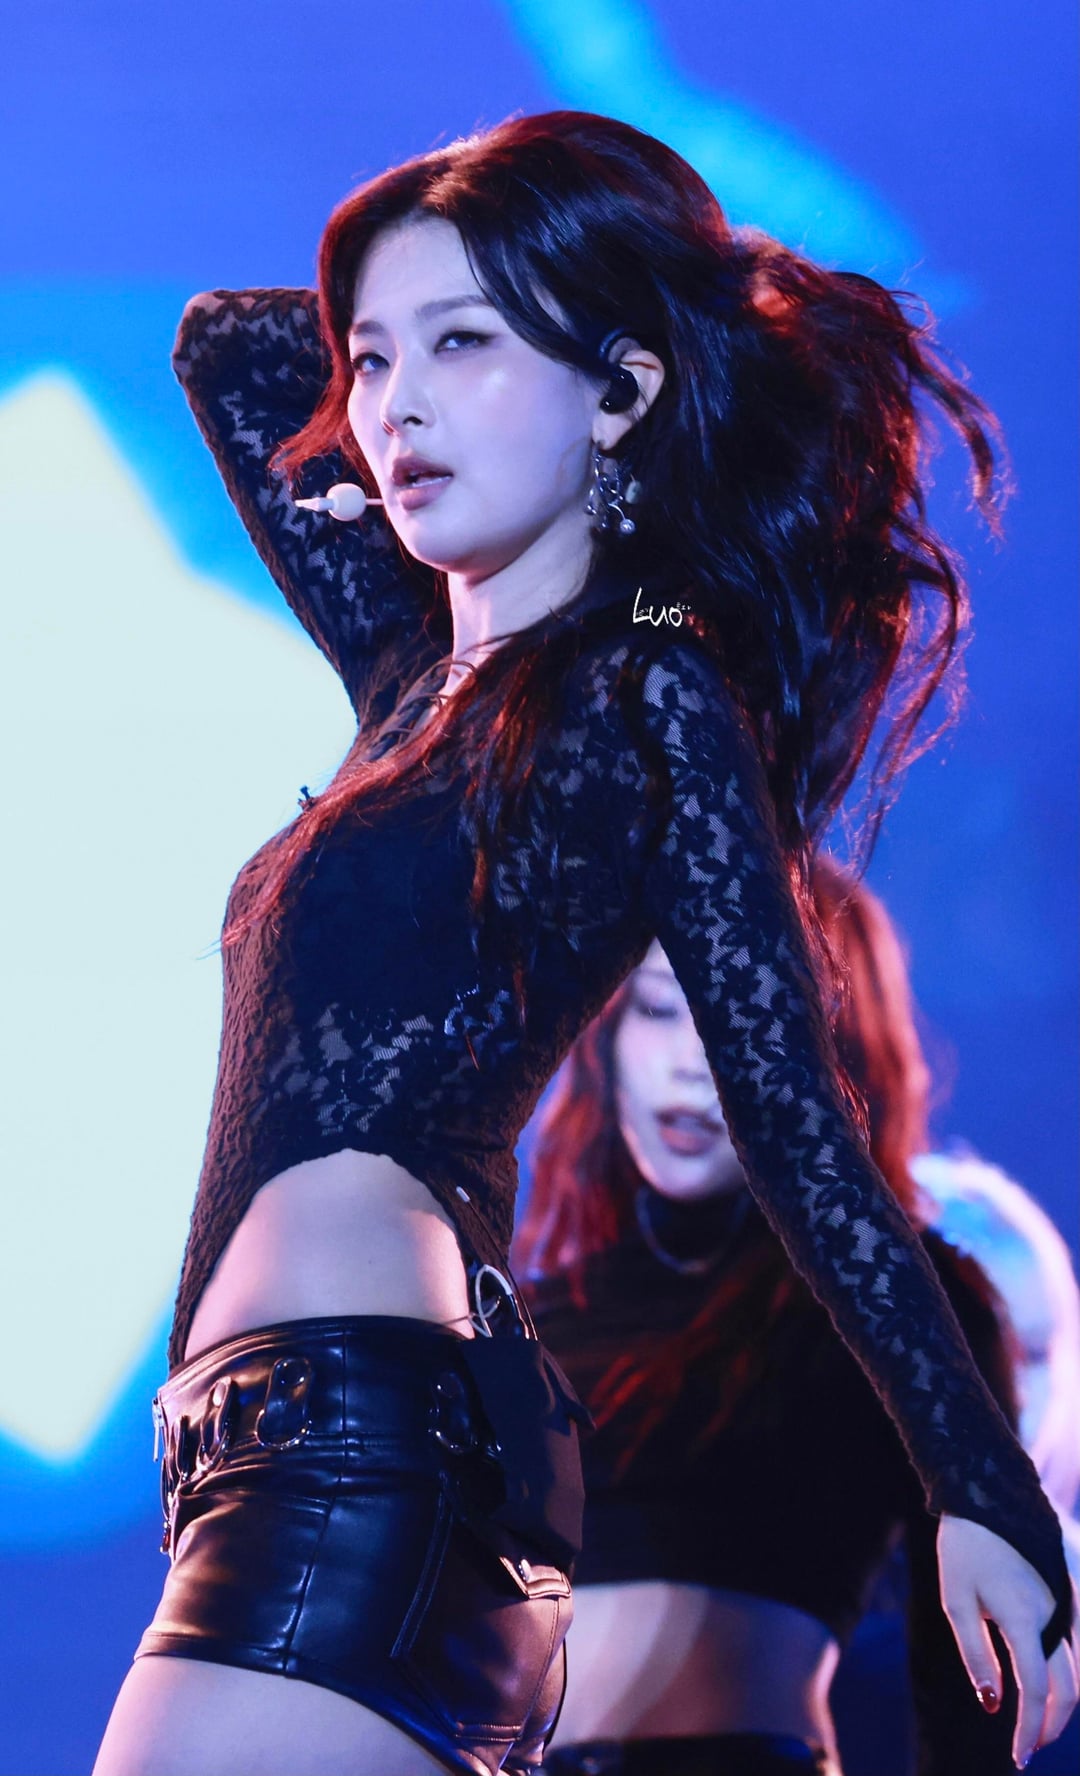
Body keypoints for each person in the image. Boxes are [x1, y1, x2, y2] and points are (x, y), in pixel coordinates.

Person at [90, 111, 1076, 1776]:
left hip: (362, 1452)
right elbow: (225, 346)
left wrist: (980, 1488)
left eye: (462, 346)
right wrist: (483, 310)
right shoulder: (419, 681)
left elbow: (798, 1125)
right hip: (257, 1458)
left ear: (623, 394)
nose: (390, 408)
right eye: (376, 360)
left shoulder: (645, 688)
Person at [519, 859, 1037, 1774]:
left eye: (738, 1013)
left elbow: (969, 1692)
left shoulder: (900, 1308)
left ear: (832, 1051)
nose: (690, 1059)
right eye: (659, 1009)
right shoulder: (537, 1314)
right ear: (606, 1034)